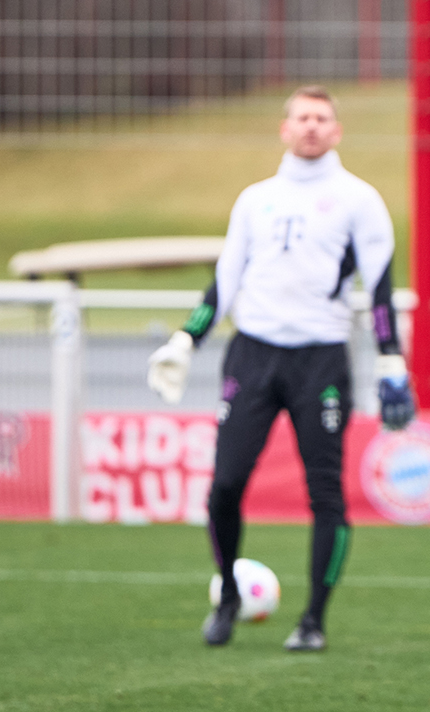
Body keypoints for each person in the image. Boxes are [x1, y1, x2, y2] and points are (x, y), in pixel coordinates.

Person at [146, 85, 415, 652]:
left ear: (336, 131)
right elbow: (224, 280)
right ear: (285, 129)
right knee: (224, 486)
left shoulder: (359, 199)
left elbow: (381, 288)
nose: (312, 126)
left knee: (326, 496)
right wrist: (185, 337)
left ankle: (313, 620)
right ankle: (227, 601)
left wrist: (392, 360)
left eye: (322, 118)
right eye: (302, 117)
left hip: (321, 360)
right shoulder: (255, 200)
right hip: (253, 354)